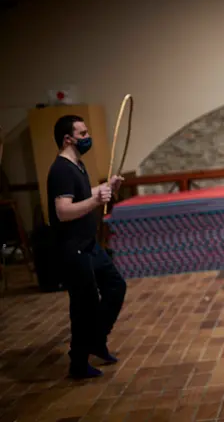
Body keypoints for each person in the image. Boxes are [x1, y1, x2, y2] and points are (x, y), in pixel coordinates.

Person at [47, 115, 127, 379]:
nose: (87, 137)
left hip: (89, 245)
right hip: (73, 249)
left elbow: (82, 194)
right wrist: (96, 201)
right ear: (67, 139)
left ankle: (96, 340)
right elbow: (63, 211)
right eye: (82, 134)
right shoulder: (61, 170)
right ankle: (79, 362)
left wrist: (105, 187)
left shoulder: (77, 165)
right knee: (84, 305)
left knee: (115, 286)